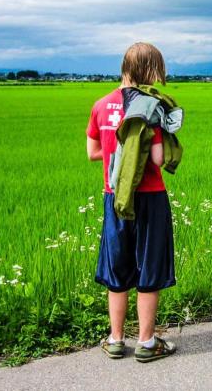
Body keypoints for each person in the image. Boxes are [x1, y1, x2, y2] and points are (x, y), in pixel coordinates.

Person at [86, 42, 176, 362]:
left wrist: (117, 157)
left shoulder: (100, 104)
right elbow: (158, 158)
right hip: (150, 199)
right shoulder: (152, 106)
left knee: (118, 269)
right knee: (148, 270)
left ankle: (114, 340)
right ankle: (147, 342)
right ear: (148, 69)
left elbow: (93, 153)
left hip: (114, 198)